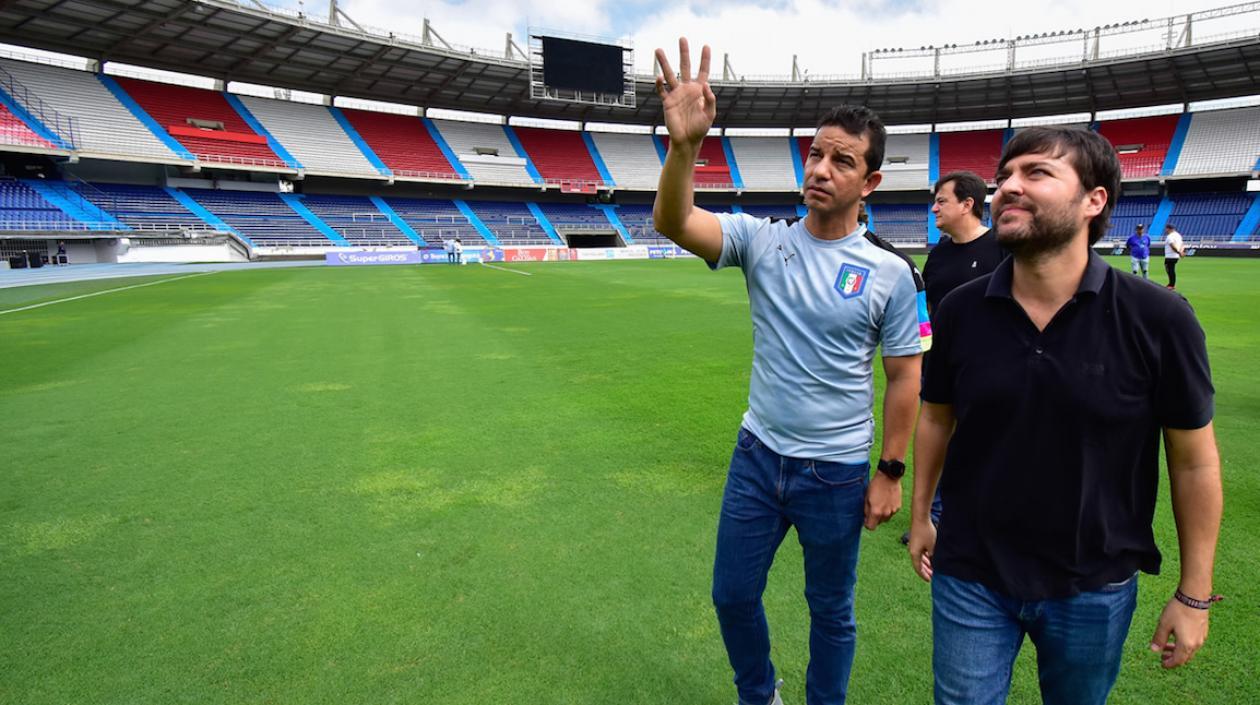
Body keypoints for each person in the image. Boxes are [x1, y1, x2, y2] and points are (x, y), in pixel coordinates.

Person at [908, 126, 1222, 705]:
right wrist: (922, 511)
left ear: (1094, 200)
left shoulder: (1160, 318)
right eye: (1005, 176)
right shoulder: (960, 311)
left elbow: (1194, 462)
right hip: (971, 571)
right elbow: (935, 417)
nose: (1008, 187)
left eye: (1036, 173)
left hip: (1094, 584)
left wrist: (1194, 593)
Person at [653, 38, 924, 705]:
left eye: (843, 160)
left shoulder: (894, 274)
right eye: (817, 153)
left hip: (834, 469)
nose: (823, 168)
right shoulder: (762, 239)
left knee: (831, 610)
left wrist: (890, 471)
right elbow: (674, 220)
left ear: (871, 182)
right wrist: (684, 147)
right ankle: (759, 693)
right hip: (758, 456)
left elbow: (905, 377)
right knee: (731, 593)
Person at [899, 170, 1006, 544]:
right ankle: (934, 513)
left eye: (941, 201)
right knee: (939, 435)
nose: (934, 209)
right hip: (940, 366)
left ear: (968, 204)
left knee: (981, 441)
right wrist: (924, 349)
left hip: (990, 366)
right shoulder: (940, 253)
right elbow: (924, 308)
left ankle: (974, 510)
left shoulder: (1001, 249)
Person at [1164, 223, 1186, 289]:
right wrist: (1181, 251)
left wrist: (1179, 252)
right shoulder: (1178, 235)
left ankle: (1171, 284)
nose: (1166, 230)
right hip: (1176, 256)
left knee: (1170, 269)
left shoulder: (1170, 236)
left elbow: (1172, 246)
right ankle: (1171, 284)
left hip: (1170, 255)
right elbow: (1182, 244)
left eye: (1166, 229)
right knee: (1170, 269)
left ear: (1168, 229)